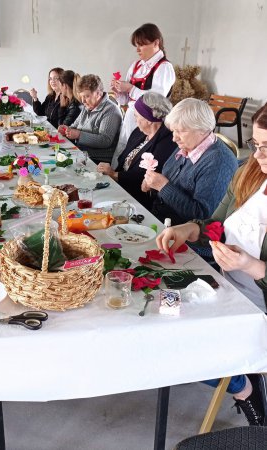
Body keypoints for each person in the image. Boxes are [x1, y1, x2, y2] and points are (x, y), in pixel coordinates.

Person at [156, 103, 267, 426]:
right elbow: (217, 224)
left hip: (258, 307)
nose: (258, 156)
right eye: (256, 145)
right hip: (228, 289)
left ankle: (243, 386)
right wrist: (191, 229)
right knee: (162, 323)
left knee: (185, 346)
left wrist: (252, 266)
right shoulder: (251, 174)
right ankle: (244, 383)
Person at [142, 98, 238, 225]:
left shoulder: (219, 162)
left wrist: (162, 186)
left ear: (202, 129)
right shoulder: (188, 144)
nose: (174, 138)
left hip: (183, 236)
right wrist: (152, 184)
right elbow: (170, 183)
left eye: (180, 131)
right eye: (173, 131)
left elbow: (202, 216)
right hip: (158, 218)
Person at [97, 92, 176, 210]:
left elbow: (144, 176)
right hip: (120, 189)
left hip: (139, 201)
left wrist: (114, 175)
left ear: (148, 119)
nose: (135, 120)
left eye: (137, 116)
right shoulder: (138, 133)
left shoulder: (167, 143)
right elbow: (123, 160)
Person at [111, 23, 175, 164]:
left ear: (156, 42)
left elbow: (157, 100)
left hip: (150, 122)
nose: (138, 49)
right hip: (131, 117)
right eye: (136, 45)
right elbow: (126, 101)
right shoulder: (136, 65)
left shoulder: (164, 67)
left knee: (138, 157)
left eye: (141, 45)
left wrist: (129, 89)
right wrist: (119, 92)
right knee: (123, 150)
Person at [63, 74, 122, 164]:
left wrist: (79, 135)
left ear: (98, 93)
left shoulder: (111, 110)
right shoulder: (88, 106)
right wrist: (66, 129)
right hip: (81, 154)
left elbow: (105, 140)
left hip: (98, 160)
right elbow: (74, 126)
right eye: (81, 96)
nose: (83, 101)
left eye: (86, 96)